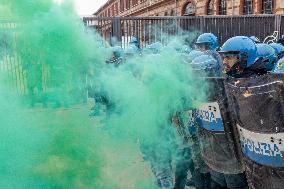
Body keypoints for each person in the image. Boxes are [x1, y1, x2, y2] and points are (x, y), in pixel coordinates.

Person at [221, 36, 284, 189]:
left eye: (229, 58)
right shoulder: (234, 84)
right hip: (256, 159)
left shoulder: (260, 87)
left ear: (244, 58)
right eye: (223, 57)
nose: (224, 62)